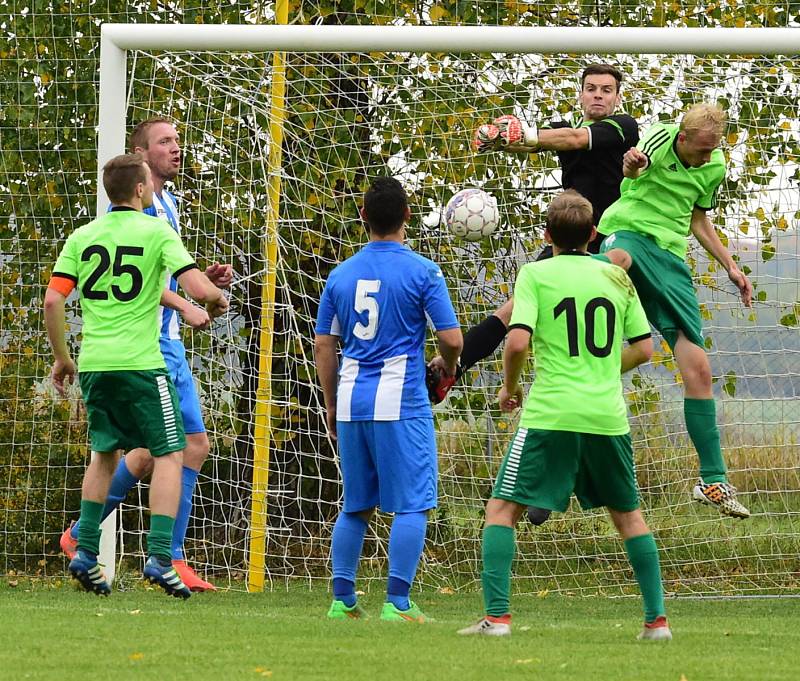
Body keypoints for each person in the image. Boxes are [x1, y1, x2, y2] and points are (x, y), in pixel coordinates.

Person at [457, 190, 670, 640]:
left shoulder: (535, 273)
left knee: (501, 510)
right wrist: (599, 369)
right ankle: (656, 622)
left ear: (547, 234)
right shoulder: (616, 276)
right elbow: (645, 348)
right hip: (606, 415)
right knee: (628, 517)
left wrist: (509, 388)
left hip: (551, 413)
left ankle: (496, 619)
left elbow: (515, 343)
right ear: (594, 235)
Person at [432, 64, 638, 524]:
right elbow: (564, 136)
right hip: (567, 243)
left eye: (607, 90)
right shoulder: (569, 126)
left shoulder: (622, 129)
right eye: (591, 89)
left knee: (583, 370)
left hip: (608, 245)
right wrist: (517, 138)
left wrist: (521, 136)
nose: (599, 96)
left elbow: (568, 142)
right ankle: (452, 367)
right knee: (510, 313)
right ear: (580, 94)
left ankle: (550, 488)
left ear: (617, 97)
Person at [60, 118, 232, 590]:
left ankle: (85, 537)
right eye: (165, 142)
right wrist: (194, 302)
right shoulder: (143, 215)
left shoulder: (165, 203)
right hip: (148, 345)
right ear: (140, 155)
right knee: (184, 447)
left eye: (178, 140)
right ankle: (164, 556)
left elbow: (162, 274)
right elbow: (143, 285)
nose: (177, 148)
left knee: (138, 452)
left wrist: (199, 282)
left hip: (147, 345)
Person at [314, 177, 463, 622]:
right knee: (413, 502)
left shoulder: (340, 274)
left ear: (363, 218)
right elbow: (451, 338)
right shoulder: (423, 271)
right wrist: (448, 365)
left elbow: (325, 345)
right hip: (401, 402)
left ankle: (342, 601)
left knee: (356, 503)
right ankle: (397, 603)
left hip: (352, 400)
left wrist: (331, 402)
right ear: (407, 217)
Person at [597, 103, 752, 518]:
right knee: (614, 264)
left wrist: (732, 266)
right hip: (628, 231)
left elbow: (699, 218)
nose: (708, 157)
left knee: (699, 369)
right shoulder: (660, 137)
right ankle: (578, 332)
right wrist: (631, 164)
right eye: (702, 150)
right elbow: (632, 173)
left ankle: (713, 480)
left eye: (713, 150)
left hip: (668, 253)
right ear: (682, 138)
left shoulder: (713, 165)